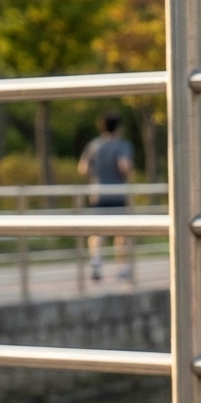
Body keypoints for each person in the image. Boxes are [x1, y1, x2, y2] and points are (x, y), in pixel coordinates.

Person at [78, 112, 134, 282]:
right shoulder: (122, 145)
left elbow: (83, 168)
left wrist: (96, 175)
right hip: (117, 193)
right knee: (121, 232)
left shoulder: (94, 145)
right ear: (118, 127)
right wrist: (129, 174)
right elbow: (124, 166)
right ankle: (122, 268)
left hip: (98, 193)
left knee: (98, 231)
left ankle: (96, 262)